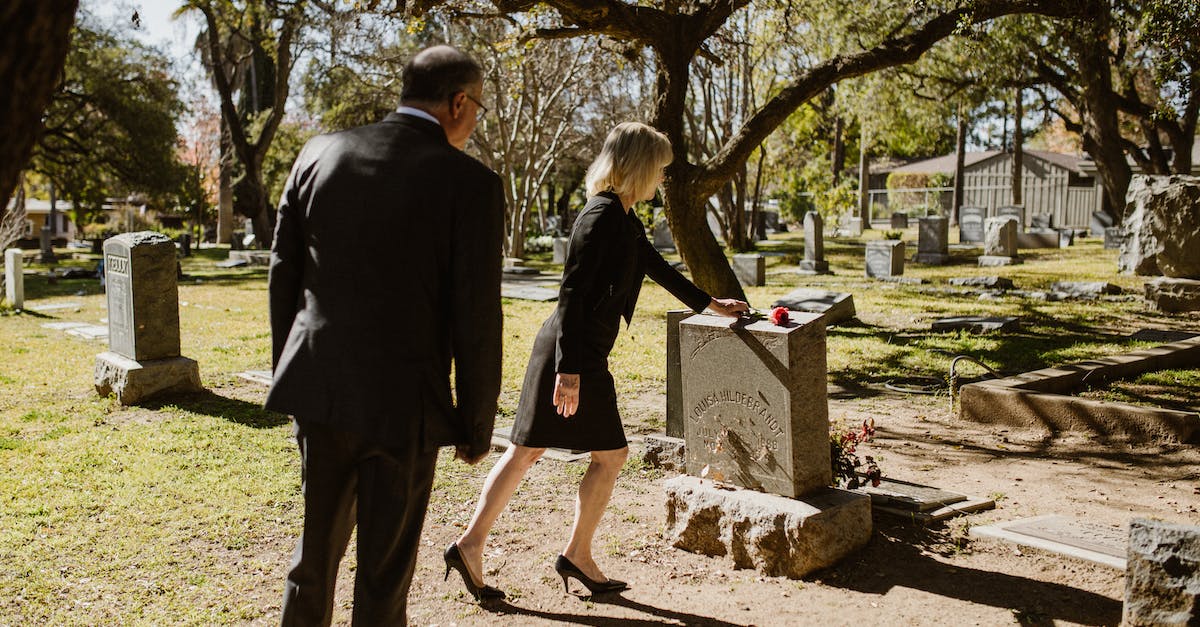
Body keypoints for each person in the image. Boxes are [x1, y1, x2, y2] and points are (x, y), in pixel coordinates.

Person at [448, 122, 749, 598]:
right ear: (639, 167)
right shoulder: (600, 216)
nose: (662, 179)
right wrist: (569, 370)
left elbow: (656, 267)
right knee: (604, 455)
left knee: (529, 451)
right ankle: (569, 555)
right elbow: (571, 294)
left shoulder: (622, 217)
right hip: (572, 353)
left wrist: (712, 304)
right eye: (659, 169)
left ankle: (480, 547)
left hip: (574, 350)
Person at [267, 45, 504, 625]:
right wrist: (476, 423)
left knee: (313, 558)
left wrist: (293, 377)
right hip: (408, 404)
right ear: (457, 103)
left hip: (321, 391)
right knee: (384, 573)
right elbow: (475, 315)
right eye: (476, 108)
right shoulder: (470, 183)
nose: (474, 123)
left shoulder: (319, 153)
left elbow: (284, 274)